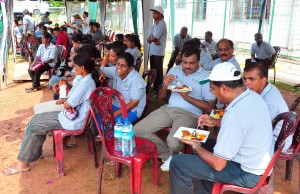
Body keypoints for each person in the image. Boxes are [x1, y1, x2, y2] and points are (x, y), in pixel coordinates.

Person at [169, 62, 274, 193]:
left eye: (212, 89)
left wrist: (195, 146)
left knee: (179, 163)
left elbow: (218, 165)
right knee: (206, 144)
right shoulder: (252, 96)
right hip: (257, 163)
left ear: (223, 88)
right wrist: (215, 122)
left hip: (248, 174)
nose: (212, 93)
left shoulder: (235, 114)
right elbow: (243, 127)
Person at [3, 52, 100, 175]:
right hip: (70, 115)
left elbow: (67, 104)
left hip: (74, 121)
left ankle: (23, 164)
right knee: (36, 121)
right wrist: (68, 102)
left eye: (75, 66)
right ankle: (31, 155)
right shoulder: (85, 79)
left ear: (83, 68)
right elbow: (70, 102)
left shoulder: (87, 83)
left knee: (34, 124)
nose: (74, 68)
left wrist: (66, 102)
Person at [134, 45, 215, 171]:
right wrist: (165, 84)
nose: (187, 66)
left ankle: (173, 157)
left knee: (173, 141)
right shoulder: (175, 70)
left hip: (190, 114)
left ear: (199, 61)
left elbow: (209, 107)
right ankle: (168, 156)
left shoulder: (206, 77)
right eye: (184, 62)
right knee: (138, 129)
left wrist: (186, 97)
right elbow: (161, 96)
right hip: (168, 109)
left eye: (192, 63)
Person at [243, 62, 290, 151]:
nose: (246, 83)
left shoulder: (269, 103)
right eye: (244, 78)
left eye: (251, 79)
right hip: (269, 132)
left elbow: (258, 129)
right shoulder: (266, 86)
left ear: (263, 80)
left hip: (278, 142)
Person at [100, 53, 146, 122]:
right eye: (118, 64)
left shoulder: (136, 80)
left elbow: (134, 103)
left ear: (130, 68)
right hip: (117, 104)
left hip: (133, 110)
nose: (119, 67)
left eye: (123, 66)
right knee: (99, 116)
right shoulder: (116, 71)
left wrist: (115, 114)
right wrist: (101, 73)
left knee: (112, 122)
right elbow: (100, 69)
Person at [148, 6, 167, 95]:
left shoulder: (162, 24)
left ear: (160, 14)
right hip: (153, 51)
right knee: (153, 71)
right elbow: (149, 37)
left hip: (158, 52)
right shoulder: (155, 23)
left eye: (155, 13)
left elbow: (153, 38)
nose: (153, 15)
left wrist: (153, 39)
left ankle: (159, 90)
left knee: (158, 72)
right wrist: (153, 39)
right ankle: (155, 88)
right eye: (153, 13)